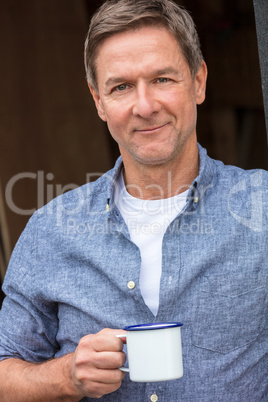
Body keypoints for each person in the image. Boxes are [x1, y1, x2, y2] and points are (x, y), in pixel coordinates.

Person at [0, 0, 267, 400]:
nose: (145, 106)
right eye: (121, 86)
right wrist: (66, 376)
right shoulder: (49, 230)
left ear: (198, 81)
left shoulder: (262, 206)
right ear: (98, 101)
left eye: (162, 79)